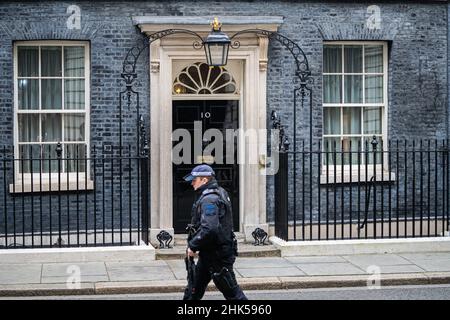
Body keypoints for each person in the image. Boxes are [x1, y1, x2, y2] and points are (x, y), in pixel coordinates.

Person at [183, 164, 247, 300]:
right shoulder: (221, 192)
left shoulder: (209, 199)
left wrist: (193, 245)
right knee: (193, 290)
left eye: (194, 180)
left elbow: (210, 229)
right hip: (209, 254)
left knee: (233, 294)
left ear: (204, 180)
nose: (192, 183)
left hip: (217, 256)